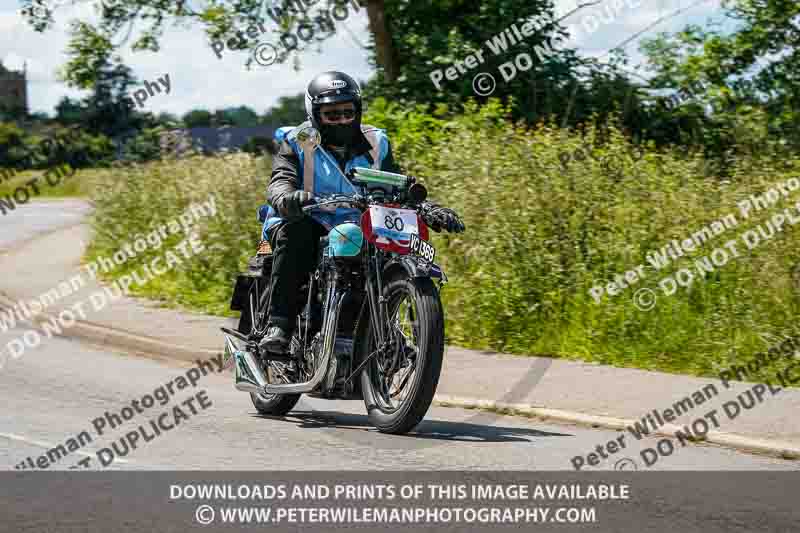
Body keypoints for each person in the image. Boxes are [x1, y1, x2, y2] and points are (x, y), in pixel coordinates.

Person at [259, 71, 464, 352]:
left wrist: (427, 207)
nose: (342, 120)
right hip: (308, 215)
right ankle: (280, 325)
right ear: (315, 114)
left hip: (359, 224)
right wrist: (287, 196)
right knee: (298, 233)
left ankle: (376, 329)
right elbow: (281, 179)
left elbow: (397, 184)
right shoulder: (298, 140)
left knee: (387, 251)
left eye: (347, 112)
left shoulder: (377, 141)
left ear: (358, 110)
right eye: (332, 115)